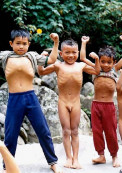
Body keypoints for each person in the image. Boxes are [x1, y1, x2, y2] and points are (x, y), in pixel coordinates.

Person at [0, 29, 62, 173]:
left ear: (29, 44)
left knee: (43, 130)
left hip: (30, 97)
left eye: (24, 43)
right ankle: (7, 165)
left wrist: (56, 42)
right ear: (11, 43)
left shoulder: (32, 56)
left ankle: (53, 162)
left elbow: (51, 60)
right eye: (18, 43)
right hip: (14, 99)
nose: (21, 46)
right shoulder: (5, 56)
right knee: (10, 135)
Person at [38, 39, 100, 169]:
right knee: (66, 131)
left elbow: (96, 71)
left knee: (75, 131)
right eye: (67, 52)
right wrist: (42, 59)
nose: (71, 55)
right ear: (61, 53)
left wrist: (96, 59)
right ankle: (68, 158)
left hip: (76, 103)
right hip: (63, 102)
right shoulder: (58, 65)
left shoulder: (80, 66)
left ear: (77, 53)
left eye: (73, 52)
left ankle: (76, 159)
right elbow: (42, 72)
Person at [80, 35, 122, 167]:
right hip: (96, 105)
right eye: (103, 61)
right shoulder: (96, 69)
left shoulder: (115, 70)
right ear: (99, 60)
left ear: (113, 62)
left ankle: (114, 156)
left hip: (109, 106)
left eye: (109, 62)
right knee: (96, 130)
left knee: (110, 131)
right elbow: (83, 58)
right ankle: (101, 155)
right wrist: (84, 43)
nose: (106, 65)